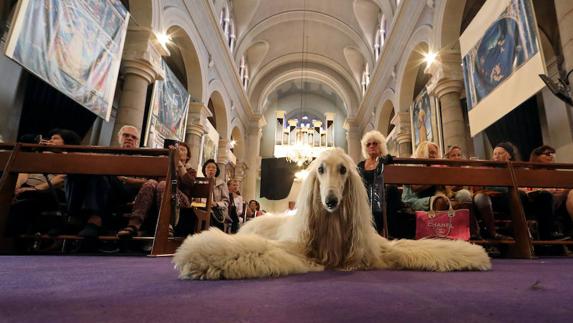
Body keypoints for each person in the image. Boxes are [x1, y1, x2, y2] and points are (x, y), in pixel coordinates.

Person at [64, 125, 146, 238]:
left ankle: (88, 219)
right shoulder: (108, 154)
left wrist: (124, 179)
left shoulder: (143, 159)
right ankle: (78, 216)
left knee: (101, 169)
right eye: (126, 135)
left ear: (137, 142)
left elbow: (146, 182)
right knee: (78, 172)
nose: (129, 138)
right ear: (119, 138)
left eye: (133, 137)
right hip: (104, 186)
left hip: (126, 191)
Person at [8, 129, 81, 236]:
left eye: (55, 138)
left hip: (49, 191)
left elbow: (61, 179)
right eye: (50, 138)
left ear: (67, 142)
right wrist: (15, 188)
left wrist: (34, 189)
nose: (50, 140)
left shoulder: (69, 158)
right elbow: (24, 171)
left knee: (24, 205)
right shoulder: (39, 154)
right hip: (26, 189)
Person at [117, 142, 197, 238]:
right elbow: (147, 181)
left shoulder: (190, 171)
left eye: (182, 149)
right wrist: (127, 179)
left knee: (164, 185)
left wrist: (178, 163)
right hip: (159, 197)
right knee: (151, 183)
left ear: (187, 157)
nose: (178, 151)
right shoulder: (164, 166)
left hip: (181, 202)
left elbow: (189, 183)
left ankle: (167, 226)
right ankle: (133, 225)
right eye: (177, 149)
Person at [472, 142, 521, 240]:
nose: (496, 156)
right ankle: (492, 233)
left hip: (507, 198)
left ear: (509, 155)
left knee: (520, 196)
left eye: (500, 153)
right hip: (491, 199)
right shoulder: (487, 168)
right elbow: (480, 187)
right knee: (480, 198)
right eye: (495, 154)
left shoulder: (516, 169)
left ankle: (521, 234)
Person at [357, 130, 392, 233]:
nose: (371, 146)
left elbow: (389, 161)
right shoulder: (360, 165)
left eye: (374, 143)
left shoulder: (384, 160)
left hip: (381, 196)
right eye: (368, 144)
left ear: (380, 145)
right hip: (364, 198)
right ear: (365, 148)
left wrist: (382, 159)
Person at [401, 141, 449, 212]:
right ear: (423, 152)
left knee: (460, 198)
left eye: (436, 153)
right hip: (411, 200)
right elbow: (415, 188)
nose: (434, 156)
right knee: (440, 201)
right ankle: (436, 223)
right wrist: (437, 178)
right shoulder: (413, 166)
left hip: (426, 198)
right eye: (431, 153)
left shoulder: (432, 167)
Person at [202, 159, 230, 231]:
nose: (211, 169)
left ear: (216, 171)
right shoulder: (200, 182)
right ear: (204, 170)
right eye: (208, 167)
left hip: (217, 210)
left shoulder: (222, 183)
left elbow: (226, 202)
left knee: (210, 215)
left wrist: (216, 204)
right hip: (202, 207)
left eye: (213, 168)